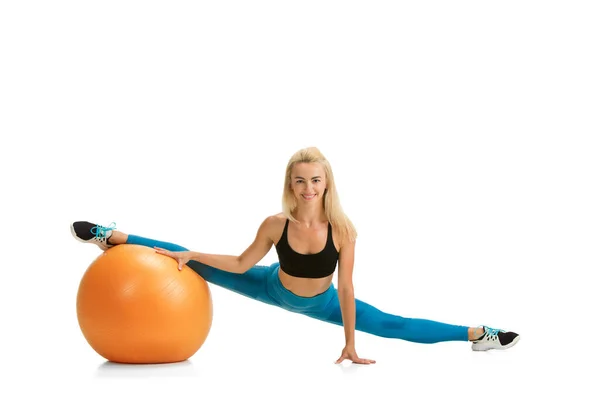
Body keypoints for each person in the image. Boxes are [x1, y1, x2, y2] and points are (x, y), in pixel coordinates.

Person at [70, 146, 520, 364]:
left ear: (327, 184)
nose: (308, 189)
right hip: (268, 285)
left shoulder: (343, 230)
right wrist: (195, 255)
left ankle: (477, 333)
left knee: (393, 325)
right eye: (300, 181)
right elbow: (243, 264)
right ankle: (114, 236)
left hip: (321, 303)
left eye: (316, 181)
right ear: (291, 184)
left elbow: (345, 288)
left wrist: (348, 342)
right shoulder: (274, 224)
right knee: (184, 255)